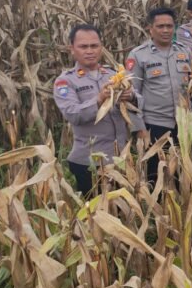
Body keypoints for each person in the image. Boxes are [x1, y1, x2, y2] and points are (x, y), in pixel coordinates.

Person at [53, 24, 141, 196]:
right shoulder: (65, 82)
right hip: (89, 162)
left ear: (101, 47)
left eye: (94, 46)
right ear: (72, 49)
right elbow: (73, 114)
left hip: (120, 160)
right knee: (95, 216)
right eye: (83, 46)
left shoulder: (113, 74)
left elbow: (139, 102)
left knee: (122, 213)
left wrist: (131, 97)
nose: (89, 51)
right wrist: (99, 99)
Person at [127, 7, 192, 185]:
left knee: (184, 175)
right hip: (155, 126)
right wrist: (140, 129)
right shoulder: (138, 55)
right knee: (157, 177)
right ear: (150, 29)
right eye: (160, 26)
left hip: (184, 124)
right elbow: (131, 95)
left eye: (169, 26)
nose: (166, 30)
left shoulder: (184, 52)